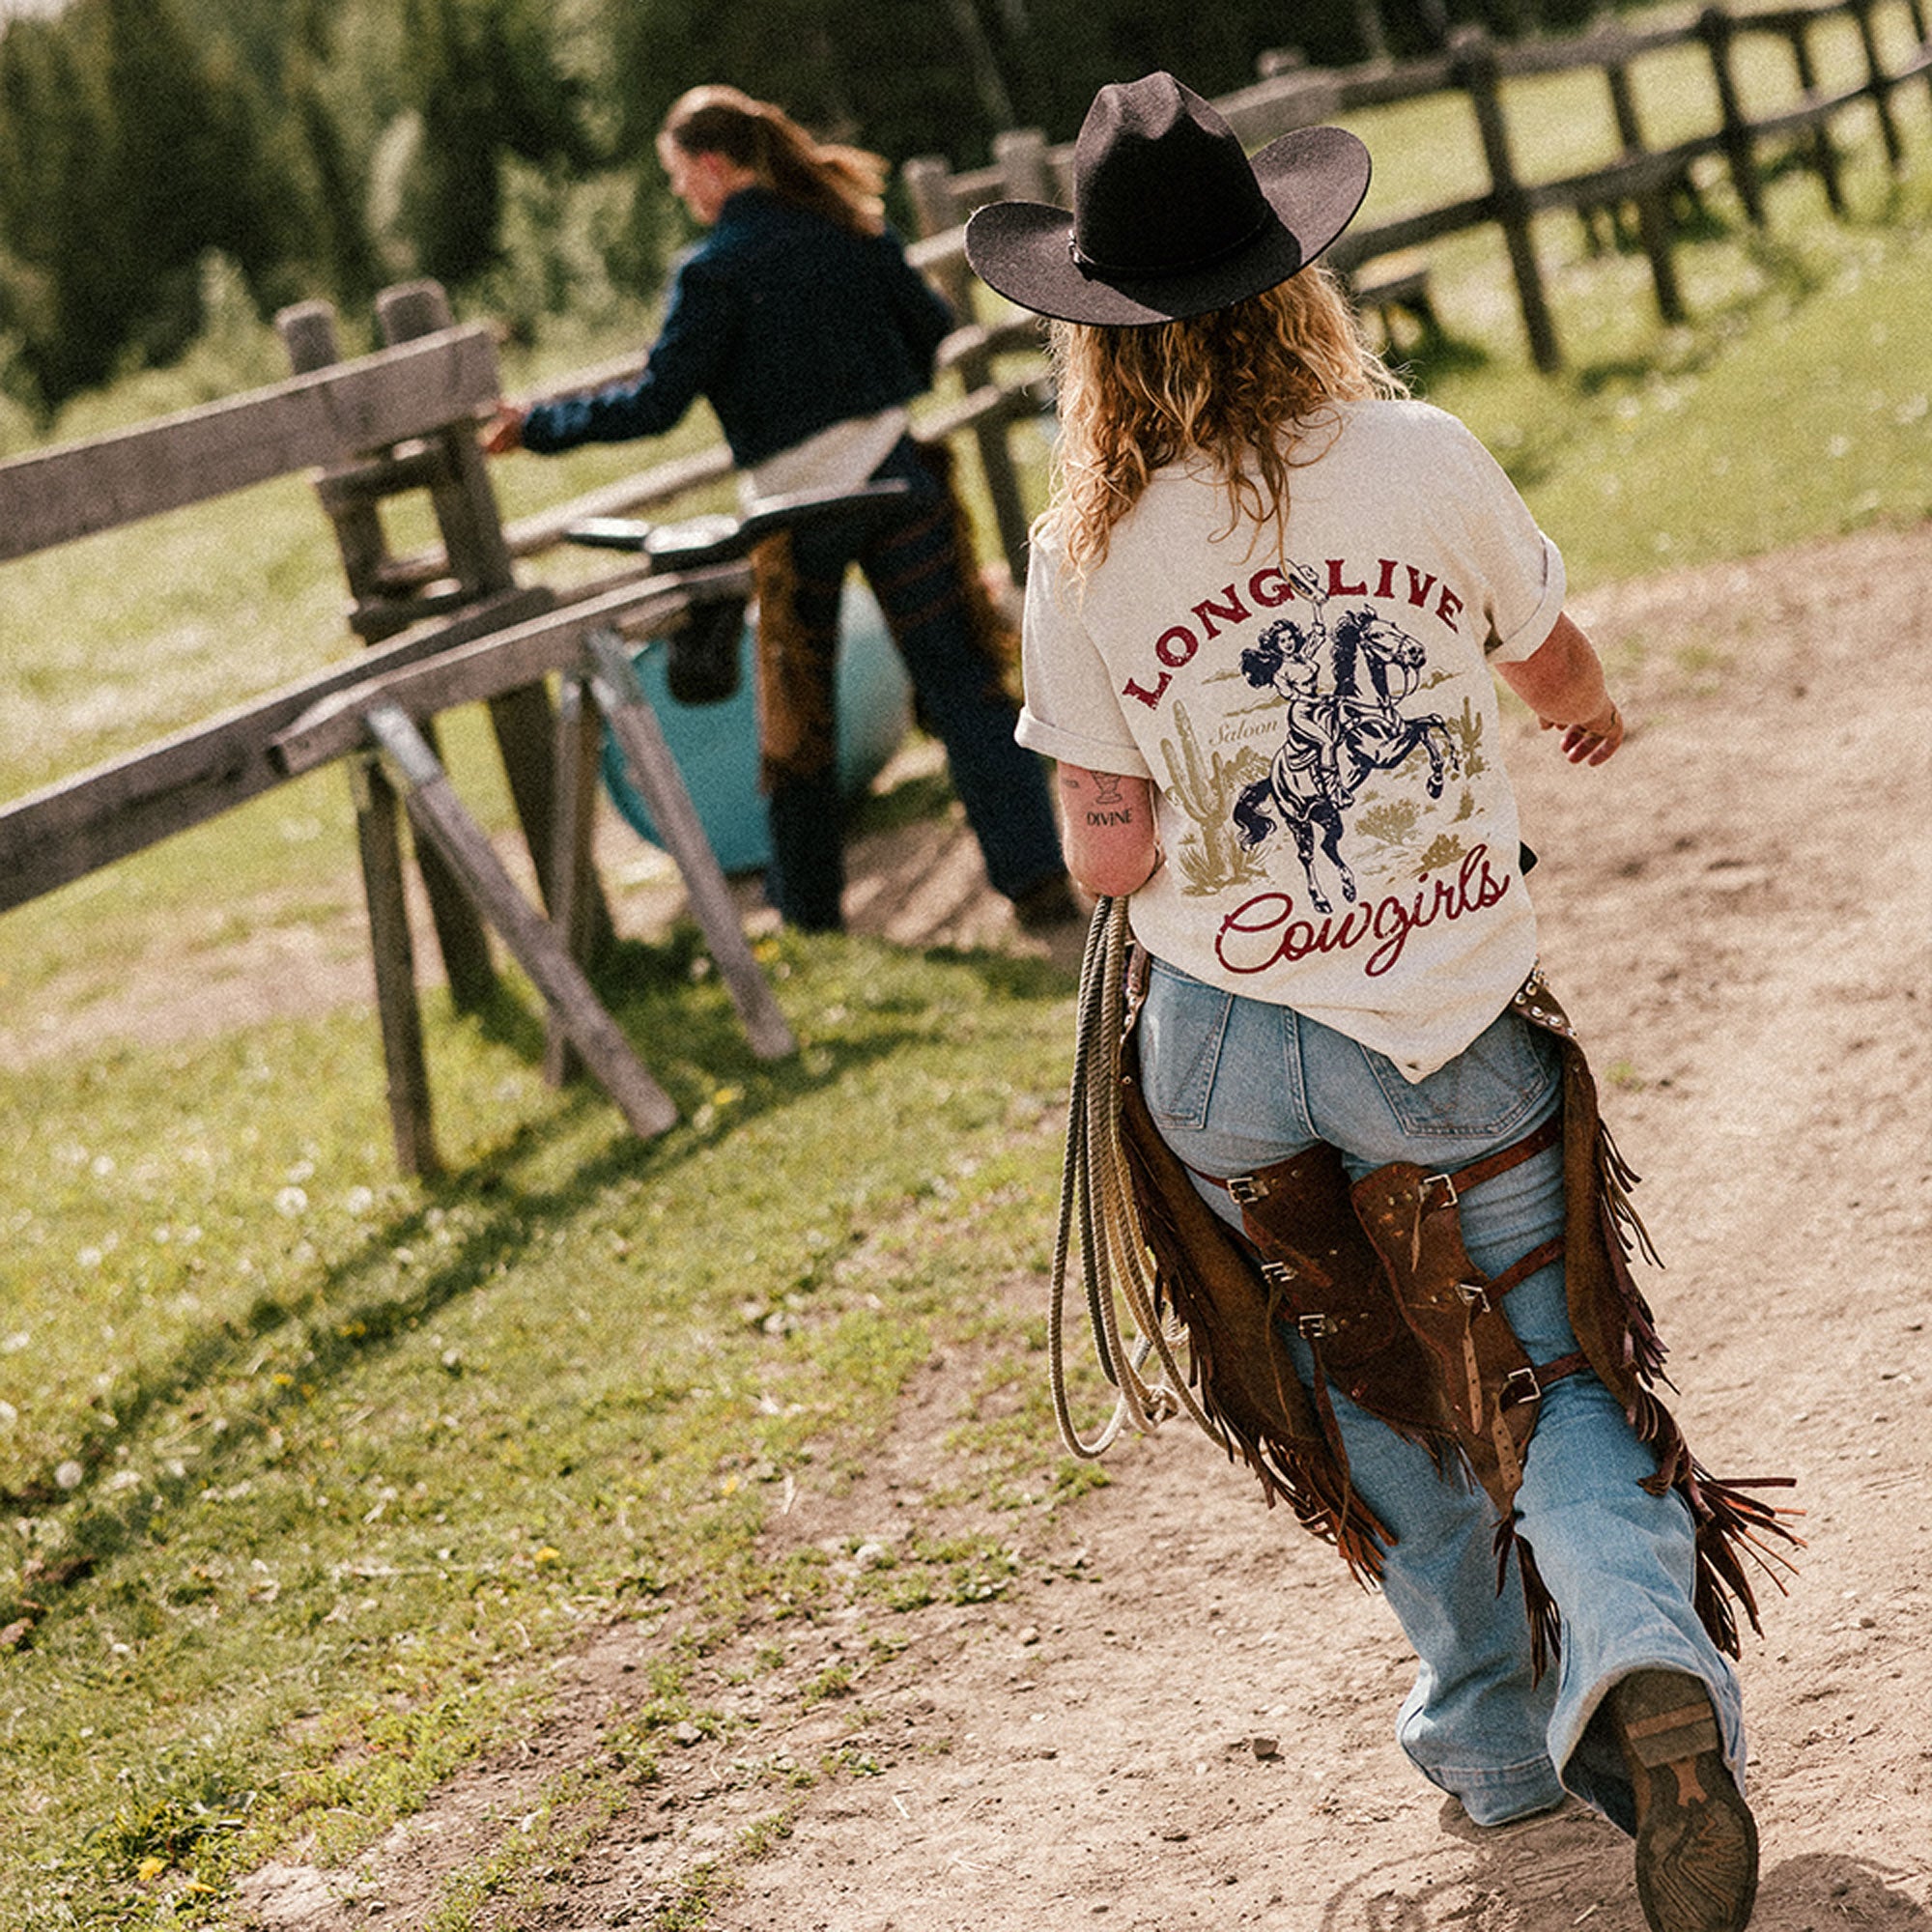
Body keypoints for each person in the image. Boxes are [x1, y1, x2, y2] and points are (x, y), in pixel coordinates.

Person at [967, 73, 1790, 1932]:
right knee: (1548, 1359)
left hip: (1226, 1053)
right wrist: (1575, 708)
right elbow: (1548, 652)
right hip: (1441, 1023)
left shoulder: (1080, 546)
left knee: (1369, 1377)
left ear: (1095, 334)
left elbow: (1104, 854)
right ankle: (1642, 1660)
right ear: (1291, 282)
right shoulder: (1418, 456)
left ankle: (1497, 1748)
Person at [484, 83, 1077, 934]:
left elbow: (654, 403)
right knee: (963, 685)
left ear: (714, 167)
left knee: (798, 713)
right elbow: (931, 329)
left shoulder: (711, 272)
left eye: (680, 174)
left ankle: (809, 915)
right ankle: (1037, 882)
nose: (680, 191)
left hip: (795, 517)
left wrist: (535, 428)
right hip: (898, 484)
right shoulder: (850, 229)